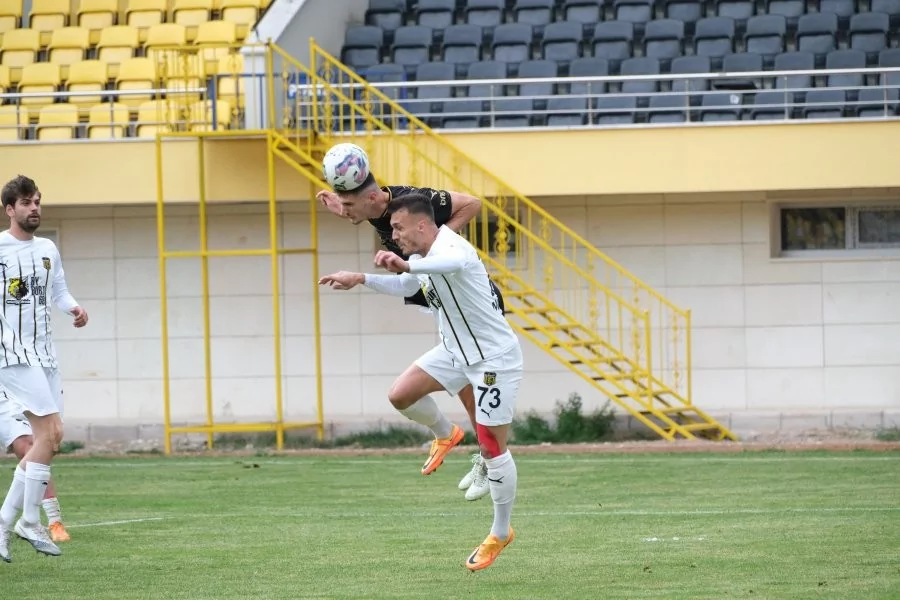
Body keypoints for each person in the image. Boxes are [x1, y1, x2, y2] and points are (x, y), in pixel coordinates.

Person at [319, 192, 521, 571]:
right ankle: (446, 433)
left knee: (493, 447)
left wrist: (407, 267)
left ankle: (500, 531)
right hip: (454, 352)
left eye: (398, 228)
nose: (393, 235)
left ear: (423, 225)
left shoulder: (451, 246)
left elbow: (449, 264)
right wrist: (360, 278)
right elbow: (410, 288)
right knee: (401, 394)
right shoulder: (420, 257)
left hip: (493, 358)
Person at [317, 144, 503, 501]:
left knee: (477, 399)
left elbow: (473, 204)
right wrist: (360, 274)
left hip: (475, 312)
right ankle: (455, 438)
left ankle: (491, 469)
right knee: (406, 395)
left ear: (372, 198)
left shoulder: (411, 203)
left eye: (349, 206)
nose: (344, 212)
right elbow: (404, 280)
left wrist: (436, 243)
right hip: (445, 307)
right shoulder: (375, 209)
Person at [0, 175, 88, 562]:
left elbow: (59, 291)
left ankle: (6, 523)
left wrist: (73, 308)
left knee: (48, 442)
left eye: (36, 201)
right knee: (50, 431)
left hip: (46, 355)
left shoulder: (48, 248)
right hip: (13, 355)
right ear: (9, 209)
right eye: (25, 203)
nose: (33, 208)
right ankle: (30, 519)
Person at [0, 406, 71, 546]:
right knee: (28, 444)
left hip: (43, 393)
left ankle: (46, 522)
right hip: (7, 393)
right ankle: (46, 520)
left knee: (49, 442)